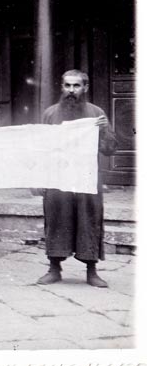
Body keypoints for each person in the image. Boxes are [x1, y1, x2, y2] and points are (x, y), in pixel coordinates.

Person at [37, 69, 117, 288]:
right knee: (56, 219)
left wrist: (103, 130)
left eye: (76, 86)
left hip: (87, 176)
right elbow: (41, 148)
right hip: (58, 176)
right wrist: (40, 178)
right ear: (62, 87)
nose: (71, 90)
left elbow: (110, 149)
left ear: (85, 88)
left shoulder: (96, 113)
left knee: (89, 218)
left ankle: (92, 271)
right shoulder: (50, 114)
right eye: (67, 85)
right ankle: (54, 269)